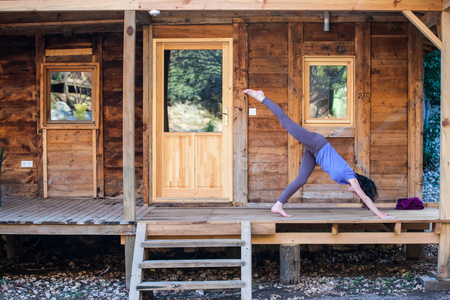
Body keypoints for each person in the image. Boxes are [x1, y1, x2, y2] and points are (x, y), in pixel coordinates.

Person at [243, 89, 396, 219]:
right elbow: (365, 198)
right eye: (357, 191)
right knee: (285, 122)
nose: (355, 193)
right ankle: (261, 96)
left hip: (316, 152)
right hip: (317, 143)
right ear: (359, 186)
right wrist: (380, 215)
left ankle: (278, 205)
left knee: (301, 179)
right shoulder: (351, 178)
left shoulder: (346, 180)